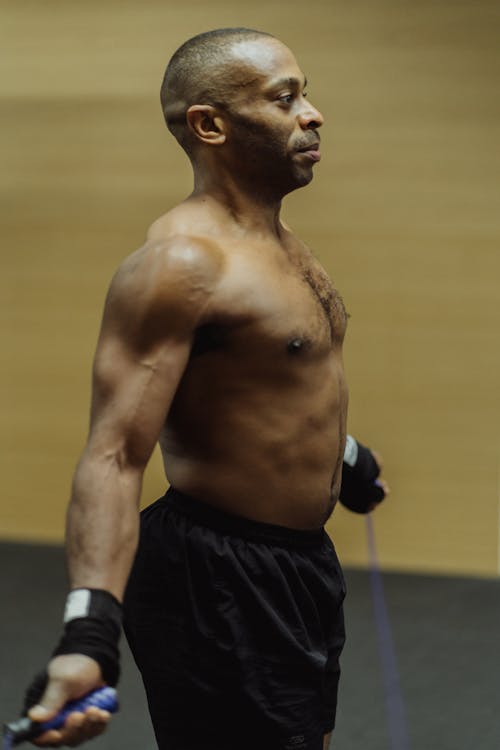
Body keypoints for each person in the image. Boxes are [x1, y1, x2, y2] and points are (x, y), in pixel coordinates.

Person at [22, 28, 388, 750]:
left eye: (305, 94)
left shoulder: (279, 242)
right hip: (215, 573)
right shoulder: (183, 263)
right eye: (285, 99)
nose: (312, 115)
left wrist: (343, 455)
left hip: (298, 564)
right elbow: (115, 455)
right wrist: (89, 630)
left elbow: (263, 385)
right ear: (210, 124)